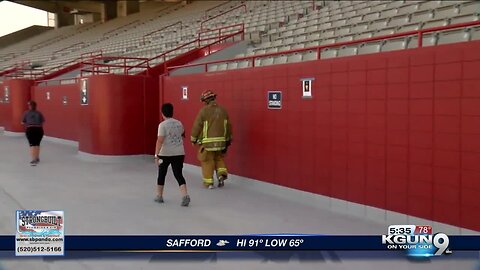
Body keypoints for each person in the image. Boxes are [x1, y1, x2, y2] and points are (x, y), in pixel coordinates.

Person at [191, 90, 232, 189]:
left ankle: (209, 183)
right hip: (221, 142)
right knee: (219, 158)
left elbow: (197, 126)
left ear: (206, 100)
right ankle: (221, 174)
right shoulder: (223, 110)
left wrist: (193, 138)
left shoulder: (204, 111)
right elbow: (228, 126)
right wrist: (228, 140)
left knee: (207, 161)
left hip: (207, 144)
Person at [154, 103, 190, 206]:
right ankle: (185, 195)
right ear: (172, 112)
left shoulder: (162, 125)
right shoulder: (179, 123)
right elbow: (183, 133)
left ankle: (159, 196)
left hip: (165, 153)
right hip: (179, 153)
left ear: (162, 113)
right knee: (178, 174)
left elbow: (160, 141)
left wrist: (156, 155)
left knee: (162, 174)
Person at [21, 101, 45, 166]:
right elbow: (43, 121)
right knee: (37, 144)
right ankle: (37, 158)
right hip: (39, 129)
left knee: (32, 145)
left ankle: (34, 159)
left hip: (30, 129)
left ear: (29, 106)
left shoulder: (26, 113)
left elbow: (22, 122)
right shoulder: (39, 113)